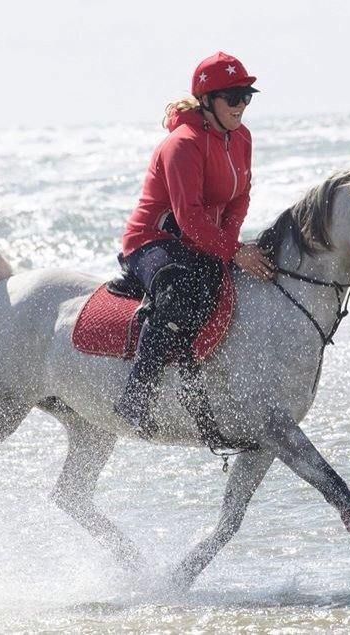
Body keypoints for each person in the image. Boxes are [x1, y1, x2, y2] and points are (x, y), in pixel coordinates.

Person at [115, 51, 274, 437]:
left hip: (202, 241)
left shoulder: (241, 137)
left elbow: (240, 198)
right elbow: (188, 219)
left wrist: (231, 242)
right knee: (180, 293)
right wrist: (233, 251)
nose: (241, 106)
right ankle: (136, 396)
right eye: (232, 97)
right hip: (152, 241)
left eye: (246, 97)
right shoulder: (182, 144)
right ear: (207, 100)